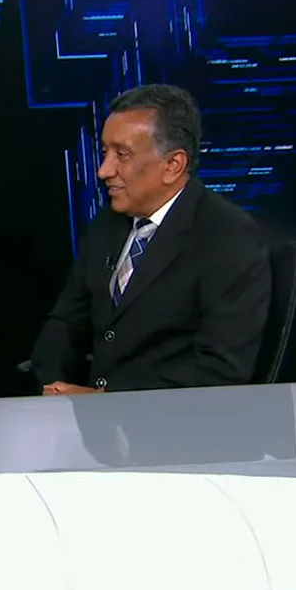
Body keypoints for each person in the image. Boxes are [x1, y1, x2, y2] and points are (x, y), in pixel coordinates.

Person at [30, 83, 271, 395]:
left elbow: (221, 371)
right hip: (89, 419)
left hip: (175, 421)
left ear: (172, 165)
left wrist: (107, 400)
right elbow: (66, 324)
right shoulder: (107, 225)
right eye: (105, 153)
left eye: (122, 155)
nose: (104, 171)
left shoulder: (230, 238)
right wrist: (51, 388)